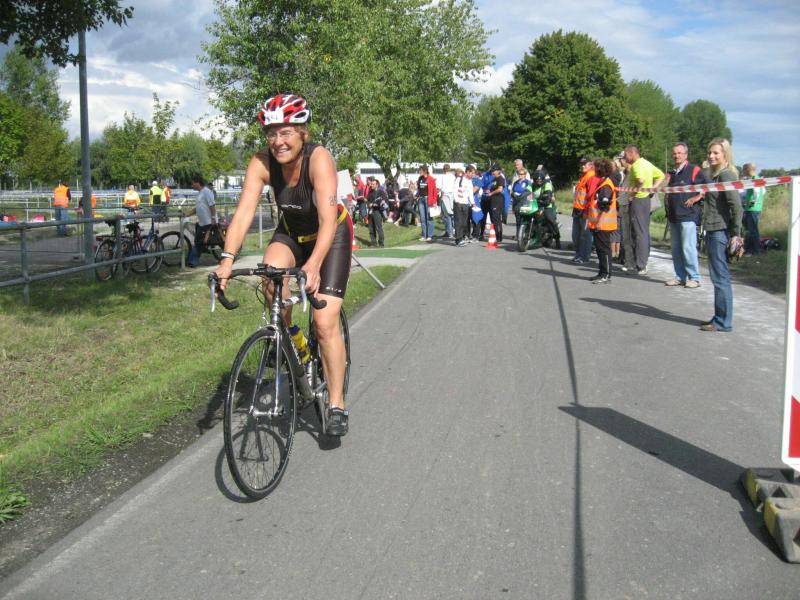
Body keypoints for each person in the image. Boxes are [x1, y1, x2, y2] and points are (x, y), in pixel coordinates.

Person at [214, 94, 352, 435]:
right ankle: (294, 343)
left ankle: (336, 404)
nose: (278, 141)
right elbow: (243, 214)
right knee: (270, 275)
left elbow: (327, 220)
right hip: (291, 233)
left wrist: (314, 265)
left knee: (325, 322)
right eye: (272, 133)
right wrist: (227, 260)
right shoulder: (261, 163)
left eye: (286, 132)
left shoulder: (319, 159)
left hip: (331, 234)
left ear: (302, 133)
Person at [700, 137, 743, 333]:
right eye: (710, 152)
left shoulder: (726, 175)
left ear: (725, 155)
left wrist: (736, 234)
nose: (711, 156)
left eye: (716, 153)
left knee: (720, 278)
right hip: (713, 229)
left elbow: (737, 207)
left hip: (720, 231)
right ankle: (719, 317)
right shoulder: (715, 175)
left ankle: (723, 322)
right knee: (717, 277)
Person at [664, 143, 706, 288]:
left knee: (688, 248)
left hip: (688, 215)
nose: (677, 156)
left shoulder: (694, 170)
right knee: (676, 249)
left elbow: (707, 187)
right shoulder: (672, 173)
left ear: (686, 155)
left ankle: (694, 278)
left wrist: (697, 197)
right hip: (674, 216)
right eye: (675, 153)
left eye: (680, 153)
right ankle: (680, 277)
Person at [624, 144, 665, 275]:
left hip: (638, 200)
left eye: (626, 155)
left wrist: (632, 194)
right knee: (644, 231)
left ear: (632, 153)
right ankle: (642, 262)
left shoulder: (636, 165)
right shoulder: (647, 163)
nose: (625, 158)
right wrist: (652, 188)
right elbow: (661, 175)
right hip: (646, 199)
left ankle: (640, 264)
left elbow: (640, 180)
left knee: (639, 232)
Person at [586, 158, 618, 283]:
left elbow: (605, 206)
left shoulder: (606, 185)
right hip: (598, 223)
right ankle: (601, 273)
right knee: (600, 249)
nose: (593, 169)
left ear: (600, 169)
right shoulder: (602, 182)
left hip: (603, 224)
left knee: (604, 250)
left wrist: (599, 222)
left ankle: (606, 275)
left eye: (595, 167)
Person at [186, 174, 217, 268]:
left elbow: (212, 205)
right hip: (201, 222)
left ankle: (192, 262)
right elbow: (198, 208)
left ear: (198, 183)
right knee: (198, 241)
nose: (191, 185)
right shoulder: (200, 193)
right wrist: (187, 214)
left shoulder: (206, 192)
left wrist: (213, 218)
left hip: (208, 222)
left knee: (198, 242)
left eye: (193, 183)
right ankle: (202, 251)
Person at [572, 158, 595, 263]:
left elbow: (591, 196)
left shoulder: (591, 176)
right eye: (581, 164)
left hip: (584, 210)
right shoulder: (584, 176)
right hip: (577, 209)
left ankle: (584, 257)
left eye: (585, 164)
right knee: (576, 235)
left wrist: (586, 210)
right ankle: (578, 255)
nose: (582, 166)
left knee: (585, 235)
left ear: (590, 165)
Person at [531, 170, 560, 248]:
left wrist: (547, 199)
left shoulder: (547, 185)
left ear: (543, 179)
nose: (539, 181)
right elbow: (526, 192)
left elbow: (548, 194)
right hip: (535, 205)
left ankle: (557, 239)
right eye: (537, 179)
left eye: (540, 180)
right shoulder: (532, 185)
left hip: (546, 206)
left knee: (550, 220)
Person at [741, 163, 765, 256]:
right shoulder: (754, 178)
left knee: (753, 231)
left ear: (748, 169)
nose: (743, 172)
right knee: (751, 230)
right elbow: (763, 192)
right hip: (751, 208)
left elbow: (757, 193)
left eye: (744, 170)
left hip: (753, 208)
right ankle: (751, 250)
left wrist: (751, 205)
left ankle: (755, 251)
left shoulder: (755, 179)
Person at [453, 165, 474, 246]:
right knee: (458, 222)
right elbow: (455, 190)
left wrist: (472, 203)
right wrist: (456, 200)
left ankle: (462, 237)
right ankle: (458, 240)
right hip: (458, 203)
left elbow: (470, 193)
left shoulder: (470, 181)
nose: (473, 175)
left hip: (466, 204)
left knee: (464, 222)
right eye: (472, 173)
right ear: (467, 172)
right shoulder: (459, 179)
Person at [416, 165, 437, 242]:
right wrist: (417, 196)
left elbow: (435, 191)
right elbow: (419, 189)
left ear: (425, 171)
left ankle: (430, 235)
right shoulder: (420, 179)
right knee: (422, 218)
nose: (419, 172)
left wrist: (434, 201)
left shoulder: (431, 179)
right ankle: (424, 235)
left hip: (428, 199)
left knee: (429, 218)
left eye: (421, 170)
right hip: (421, 199)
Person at [510, 165, 531, 241]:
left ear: (525, 175)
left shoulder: (528, 182)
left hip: (524, 203)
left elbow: (529, 193)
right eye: (519, 174)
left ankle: (525, 235)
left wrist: (522, 196)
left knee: (524, 219)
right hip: (516, 202)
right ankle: (518, 235)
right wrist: (513, 195)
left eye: (522, 174)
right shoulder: (516, 182)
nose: (520, 175)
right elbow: (512, 191)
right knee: (518, 220)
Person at [486, 164, 506, 242]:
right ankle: (495, 234)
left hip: (498, 199)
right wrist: (489, 190)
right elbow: (494, 188)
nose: (492, 172)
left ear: (498, 171)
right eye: (492, 171)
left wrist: (491, 193)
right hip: (493, 200)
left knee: (496, 218)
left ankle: (499, 236)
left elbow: (500, 189)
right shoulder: (494, 179)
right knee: (493, 218)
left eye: (494, 171)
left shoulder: (500, 178)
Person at [366, 177, 388, 247]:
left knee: (378, 228)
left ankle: (381, 243)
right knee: (371, 229)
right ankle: (373, 243)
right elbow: (368, 201)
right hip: (370, 212)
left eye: (373, 184)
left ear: (377, 185)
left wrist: (374, 204)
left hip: (377, 212)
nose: (371, 185)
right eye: (371, 184)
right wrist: (368, 204)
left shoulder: (381, 192)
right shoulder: (370, 192)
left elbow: (384, 202)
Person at [439, 164, 455, 239]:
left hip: (445, 196)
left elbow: (440, 187)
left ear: (443, 169)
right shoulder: (453, 177)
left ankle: (449, 232)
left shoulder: (443, 176)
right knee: (451, 214)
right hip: (452, 196)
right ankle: (451, 231)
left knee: (446, 215)